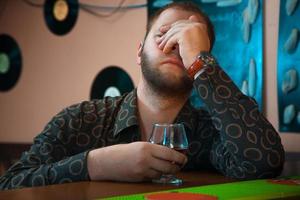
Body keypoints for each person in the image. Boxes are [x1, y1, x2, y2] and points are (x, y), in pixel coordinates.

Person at [0, 2, 284, 190]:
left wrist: (199, 60)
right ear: (139, 51)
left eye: (186, 41)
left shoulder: (211, 131)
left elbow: (264, 162)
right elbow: (11, 183)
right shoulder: (79, 120)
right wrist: (95, 164)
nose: (174, 45)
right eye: (164, 34)